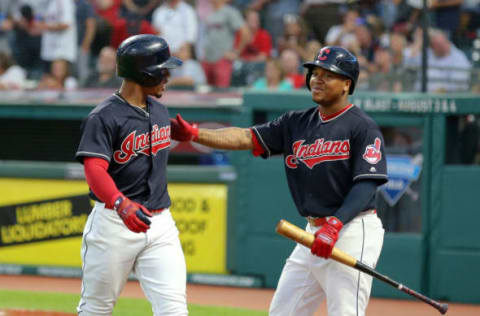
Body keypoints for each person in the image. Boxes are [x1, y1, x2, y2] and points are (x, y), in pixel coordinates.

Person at [170, 46, 387, 316]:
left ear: (347, 84)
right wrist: (195, 134)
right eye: (314, 72)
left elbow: (366, 185)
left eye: (328, 74)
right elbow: (244, 137)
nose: (317, 79)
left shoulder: (363, 127)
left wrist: (336, 225)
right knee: (283, 311)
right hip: (312, 231)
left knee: (346, 312)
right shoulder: (295, 122)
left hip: (353, 228)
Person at [75, 34, 187, 315]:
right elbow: (94, 169)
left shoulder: (160, 110)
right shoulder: (103, 117)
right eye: (162, 70)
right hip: (114, 223)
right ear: (143, 73)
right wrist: (119, 202)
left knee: (174, 309)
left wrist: (190, 133)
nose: (167, 77)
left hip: (160, 224)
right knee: (96, 309)